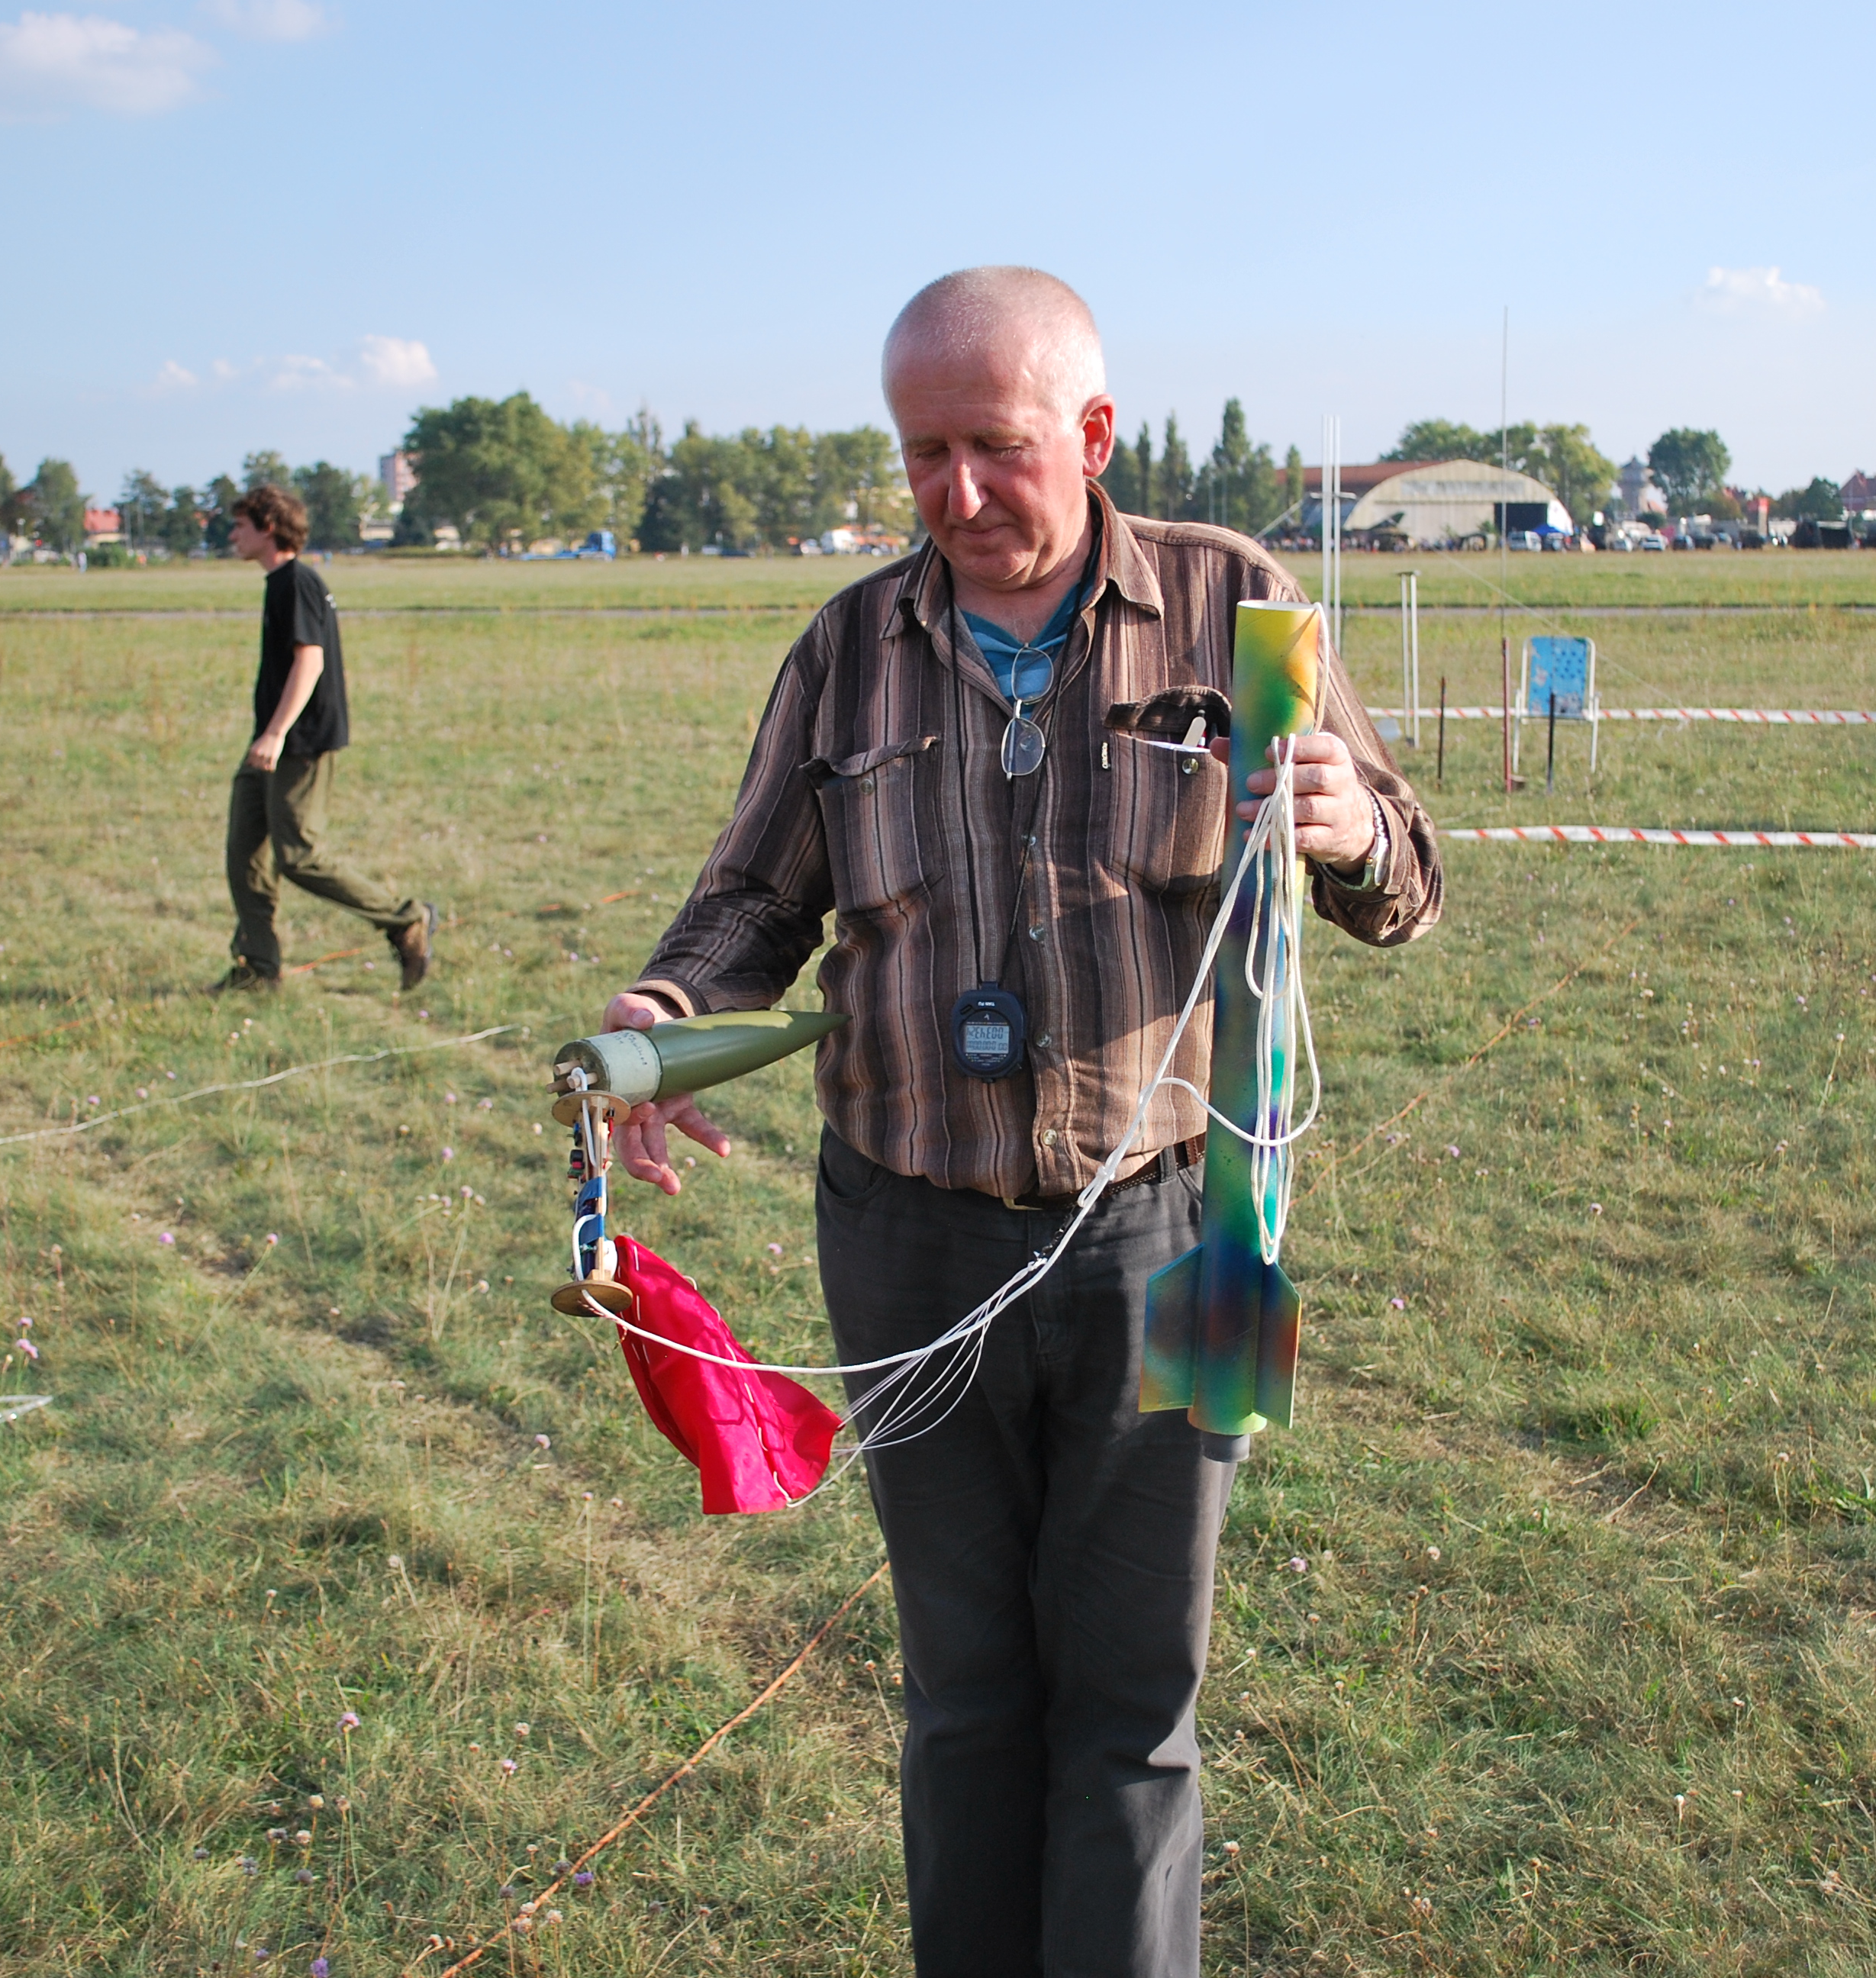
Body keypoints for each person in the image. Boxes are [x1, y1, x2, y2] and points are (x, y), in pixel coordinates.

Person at [599, 268, 1441, 1976]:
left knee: (1133, 1704)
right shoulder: (847, 651)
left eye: (995, 446)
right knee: (967, 1693)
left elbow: (1407, 884)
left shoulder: (1239, 607)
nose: (957, 492)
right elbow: (753, 895)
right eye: (923, 454)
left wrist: (1352, 828)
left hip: (1186, 1236)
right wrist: (665, 1011)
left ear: (1095, 431)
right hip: (904, 1236)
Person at [217, 484, 434, 993]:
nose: (232, 535)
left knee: (298, 856)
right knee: (245, 853)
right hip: (272, 740)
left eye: (241, 526)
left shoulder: (297, 582)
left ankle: (406, 918)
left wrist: (276, 734)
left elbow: (309, 661)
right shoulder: (280, 582)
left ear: (269, 528)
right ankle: (258, 967)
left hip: (299, 742)